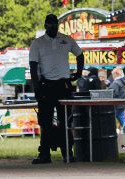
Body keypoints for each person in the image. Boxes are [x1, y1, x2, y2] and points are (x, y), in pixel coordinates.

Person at [29, 14, 85, 164]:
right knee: (45, 123)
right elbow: (33, 66)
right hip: (46, 85)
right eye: (50, 25)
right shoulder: (38, 43)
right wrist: (36, 87)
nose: (53, 27)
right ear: (46, 25)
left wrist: (78, 73)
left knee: (65, 122)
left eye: (55, 24)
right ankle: (45, 155)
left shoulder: (66, 39)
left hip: (63, 85)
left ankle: (68, 154)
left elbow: (80, 54)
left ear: (58, 25)